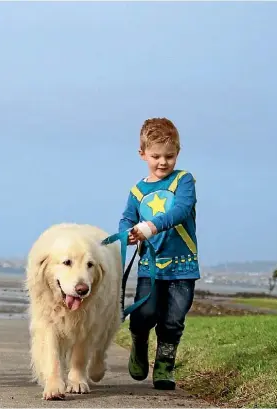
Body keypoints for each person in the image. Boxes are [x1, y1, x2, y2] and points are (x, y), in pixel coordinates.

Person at [117, 117, 199, 390]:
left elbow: (181, 211)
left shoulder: (183, 181)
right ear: (142, 154)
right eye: (156, 156)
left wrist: (150, 226)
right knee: (143, 314)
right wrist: (127, 234)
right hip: (150, 267)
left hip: (183, 267)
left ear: (178, 153)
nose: (163, 162)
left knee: (173, 320)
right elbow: (127, 218)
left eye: (169, 156)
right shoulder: (137, 191)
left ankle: (165, 365)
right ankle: (139, 343)